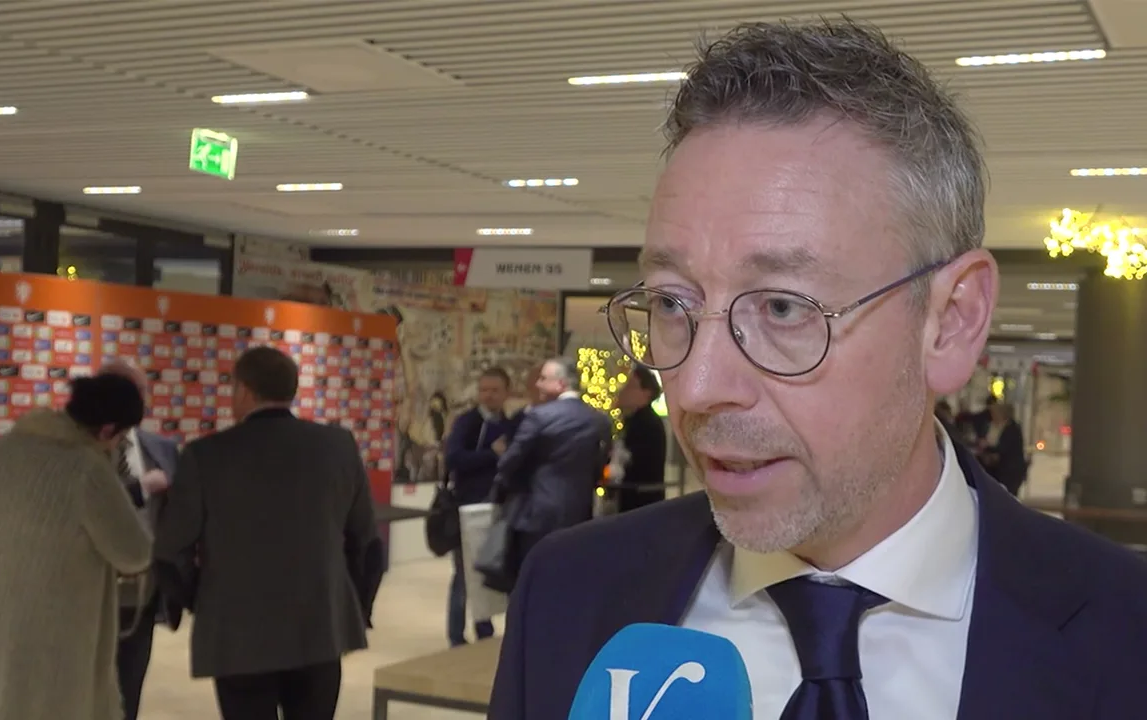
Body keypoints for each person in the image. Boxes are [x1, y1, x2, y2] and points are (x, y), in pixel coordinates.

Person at [489, 20, 1147, 720]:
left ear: (951, 321)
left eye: (782, 307)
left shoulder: (1125, 631)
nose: (699, 387)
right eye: (672, 303)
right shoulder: (568, 591)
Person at [154, 346, 380, 720]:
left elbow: (170, 552)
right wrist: (354, 606)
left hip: (238, 636)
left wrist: (202, 600)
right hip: (320, 628)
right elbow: (367, 545)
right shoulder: (338, 446)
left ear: (244, 390)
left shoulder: (205, 455)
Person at [0, 374, 151, 720]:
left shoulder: (0, 450)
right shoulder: (85, 469)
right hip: (43, 643)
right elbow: (134, 552)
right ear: (108, 430)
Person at [98, 360, 182, 720]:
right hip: (90, 588)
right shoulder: (76, 451)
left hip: (144, 591)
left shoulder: (162, 449)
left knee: (129, 686)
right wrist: (140, 488)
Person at [493, 357, 611, 575]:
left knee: (534, 575)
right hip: (579, 511)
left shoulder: (538, 416)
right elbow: (600, 464)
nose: (538, 384)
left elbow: (509, 462)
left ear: (561, 383)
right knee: (570, 575)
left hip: (537, 513)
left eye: (543, 379)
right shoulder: (599, 420)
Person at [442, 367, 513, 646]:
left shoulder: (509, 424)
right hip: (467, 507)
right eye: (484, 390)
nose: (488, 395)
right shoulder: (467, 423)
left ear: (506, 392)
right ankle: (456, 636)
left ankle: (484, 630)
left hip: (498, 508)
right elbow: (454, 458)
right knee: (463, 574)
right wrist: (491, 455)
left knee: (486, 571)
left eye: (494, 390)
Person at [612, 364, 668, 514]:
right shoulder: (633, 420)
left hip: (641, 502)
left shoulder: (647, 423)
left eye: (630, 387)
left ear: (646, 393)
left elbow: (632, 461)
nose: (623, 391)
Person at [979, 402, 1028, 496]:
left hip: (1009, 470)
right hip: (993, 468)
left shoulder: (1012, 428)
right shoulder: (991, 426)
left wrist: (988, 446)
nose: (993, 416)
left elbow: (1004, 447)